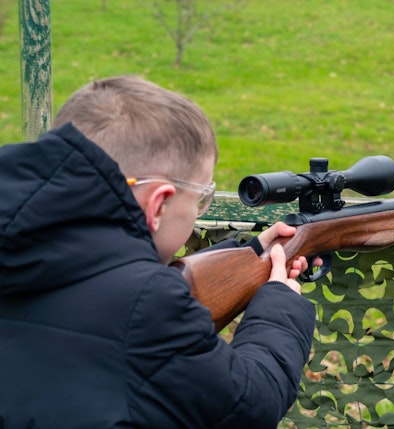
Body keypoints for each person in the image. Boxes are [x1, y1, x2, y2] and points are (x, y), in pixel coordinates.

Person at [0, 75, 316, 428]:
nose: (198, 210)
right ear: (159, 205)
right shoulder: (148, 303)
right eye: (200, 199)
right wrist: (280, 304)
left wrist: (253, 252)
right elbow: (249, 406)